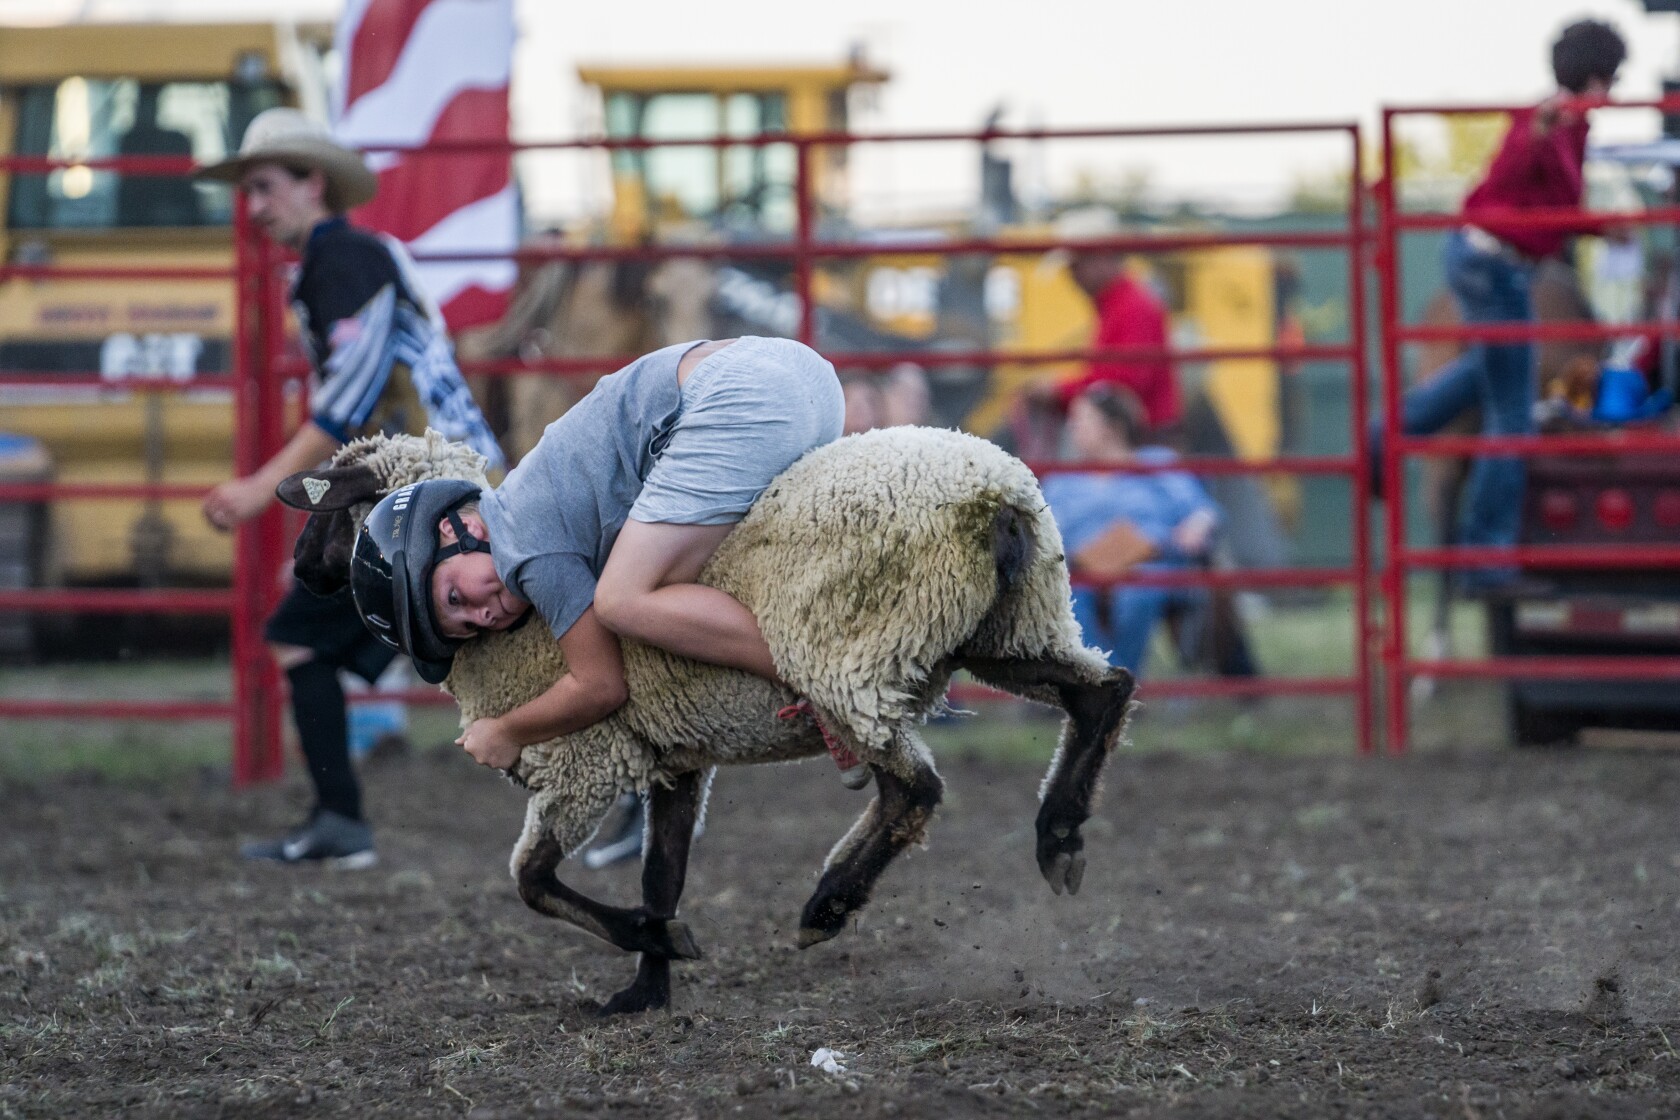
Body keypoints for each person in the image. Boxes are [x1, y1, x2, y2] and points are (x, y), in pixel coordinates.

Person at [344, 337, 860, 804]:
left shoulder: (524, 551)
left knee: (623, 600)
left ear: (455, 531)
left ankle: (821, 685)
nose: (486, 614)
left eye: (457, 598)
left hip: (737, 397)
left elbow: (600, 686)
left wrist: (504, 731)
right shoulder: (531, 497)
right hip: (802, 372)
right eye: (471, 627)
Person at [198, 108, 505, 868]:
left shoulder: (344, 262)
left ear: (314, 183)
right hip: (432, 484)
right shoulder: (351, 261)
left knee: (302, 638)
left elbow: (348, 398)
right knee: (500, 642)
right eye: (250, 191)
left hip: (430, 491)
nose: (256, 206)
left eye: (266, 187)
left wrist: (262, 487)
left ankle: (341, 823)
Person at [1381, 19, 1626, 585]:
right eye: (1610, 79)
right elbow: (1512, 171)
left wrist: (1594, 227)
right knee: (1511, 414)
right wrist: (1538, 136)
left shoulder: (1567, 124)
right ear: (1596, 77)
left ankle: (1385, 432)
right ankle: (1486, 558)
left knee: (1488, 375)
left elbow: (1548, 204)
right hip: (1493, 264)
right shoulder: (1545, 120)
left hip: (1497, 263)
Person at [1042, 386, 1222, 677]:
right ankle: (1093, 680)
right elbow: (1042, 533)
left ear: (1113, 427)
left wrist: (1197, 527)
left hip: (1150, 564)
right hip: (1081, 569)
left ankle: (1116, 683)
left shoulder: (1158, 463)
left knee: (1137, 592)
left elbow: (1202, 512)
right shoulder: (1062, 480)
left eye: (1082, 420)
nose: (1072, 428)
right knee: (1070, 596)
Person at [1035, 206, 1181, 441]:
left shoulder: (1131, 306)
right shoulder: (1123, 303)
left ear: (1102, 256)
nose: (1072, 277)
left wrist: (1058, 391)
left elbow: (1122, 386)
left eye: (1076, 266)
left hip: (1138, 442)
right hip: (1137, 439)